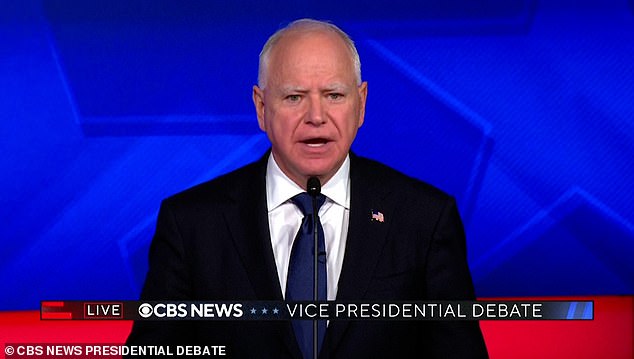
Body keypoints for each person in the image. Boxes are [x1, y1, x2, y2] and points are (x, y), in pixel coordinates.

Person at [126, 18, 488, 358]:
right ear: (261, 107)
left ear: (361, 104)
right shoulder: (191, 224)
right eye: (294, 97)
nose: (316, 116)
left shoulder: (424, 219)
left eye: (334, 95)